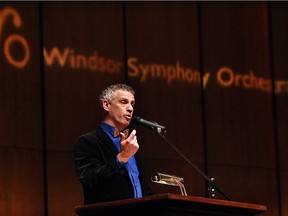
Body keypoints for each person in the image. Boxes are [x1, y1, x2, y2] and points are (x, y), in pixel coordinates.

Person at [74, 84, 153, 205]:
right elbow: (90, 181)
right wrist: (121, 158)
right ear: (106, 105)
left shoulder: (130, 142)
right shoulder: (88, 142)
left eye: (132, 104)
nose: (130, 109)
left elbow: (142, 187)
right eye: (124, 102)